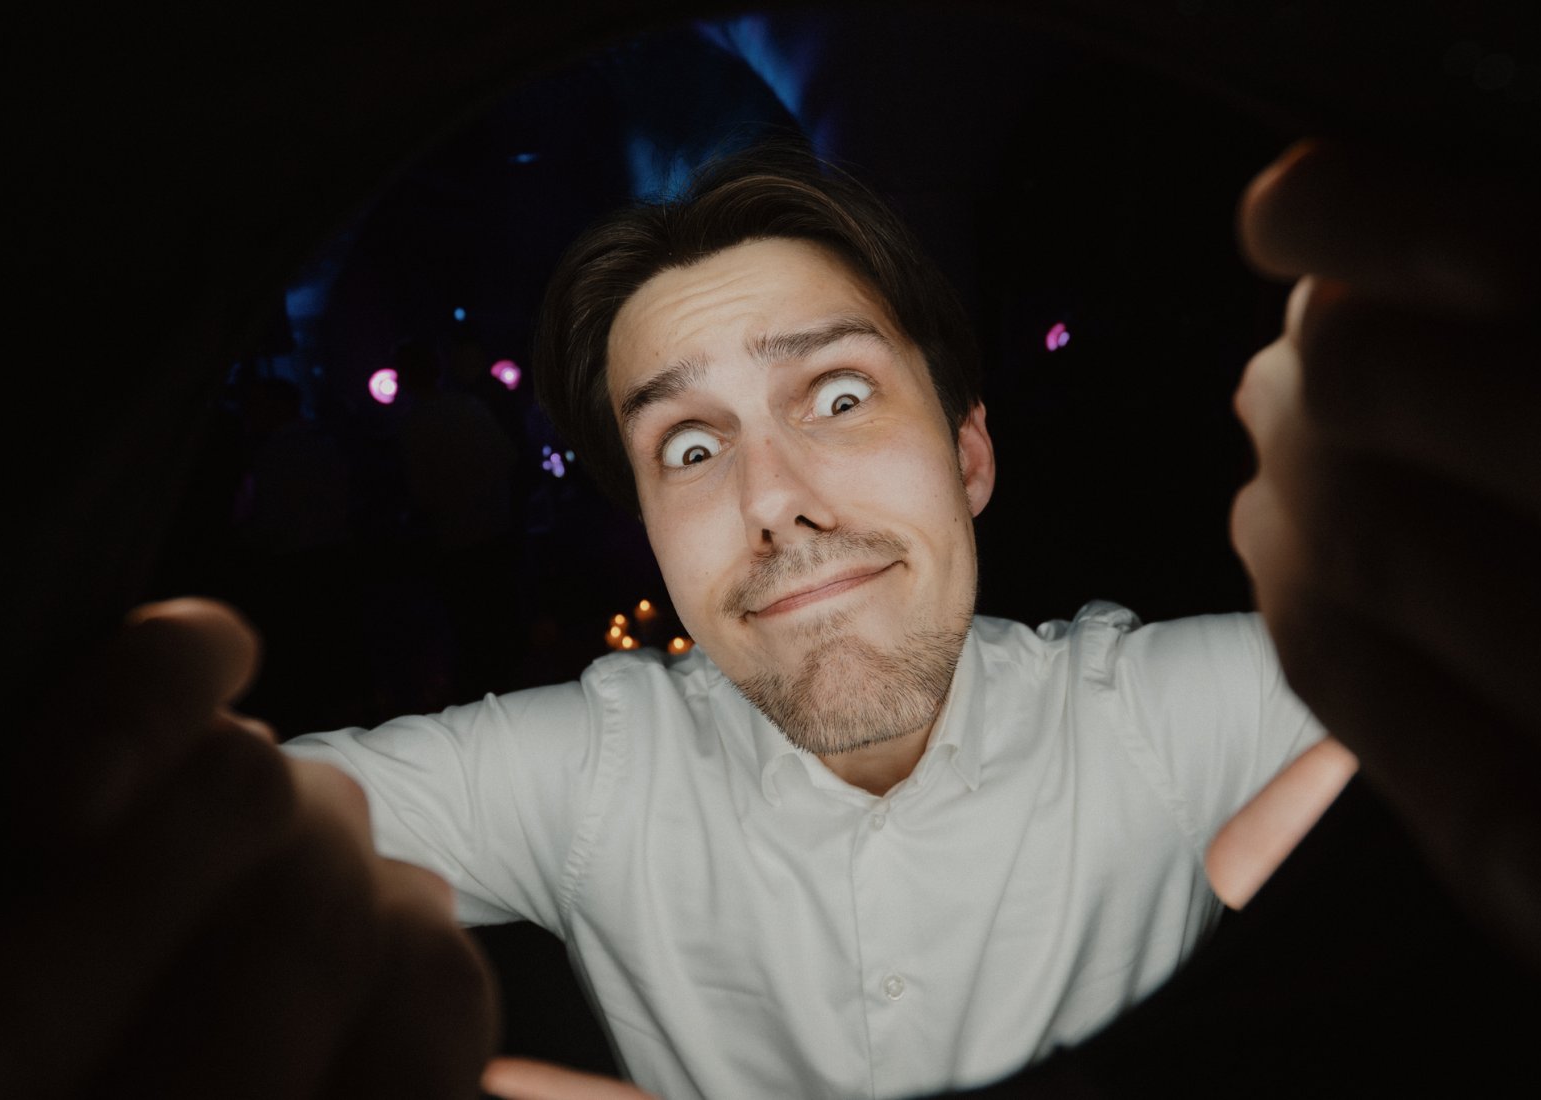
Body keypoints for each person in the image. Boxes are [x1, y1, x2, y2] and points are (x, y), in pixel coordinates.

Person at [282, 144, 1339, 1099]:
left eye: (839, 396)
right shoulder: (592, 770)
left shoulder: (1166, 714)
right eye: (691, 448)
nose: (774, 501)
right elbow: (206, 827)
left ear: (969, 456)